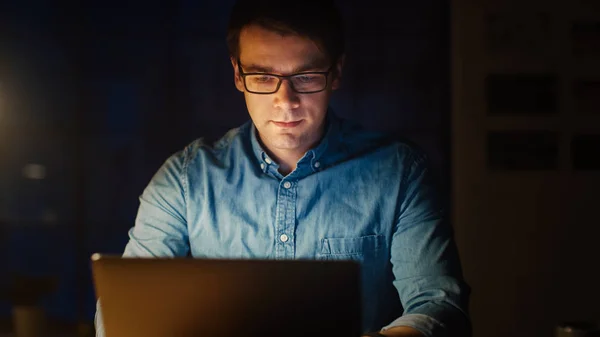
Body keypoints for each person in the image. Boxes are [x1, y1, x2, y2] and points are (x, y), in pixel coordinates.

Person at [95, 0, 471, 336]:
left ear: (336, 73)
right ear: (238, 76)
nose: (284, 101)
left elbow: (437, 304)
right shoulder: (185, 179)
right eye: (263, 77)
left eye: (305, 77)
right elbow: (124, 315)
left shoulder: (399, 172)